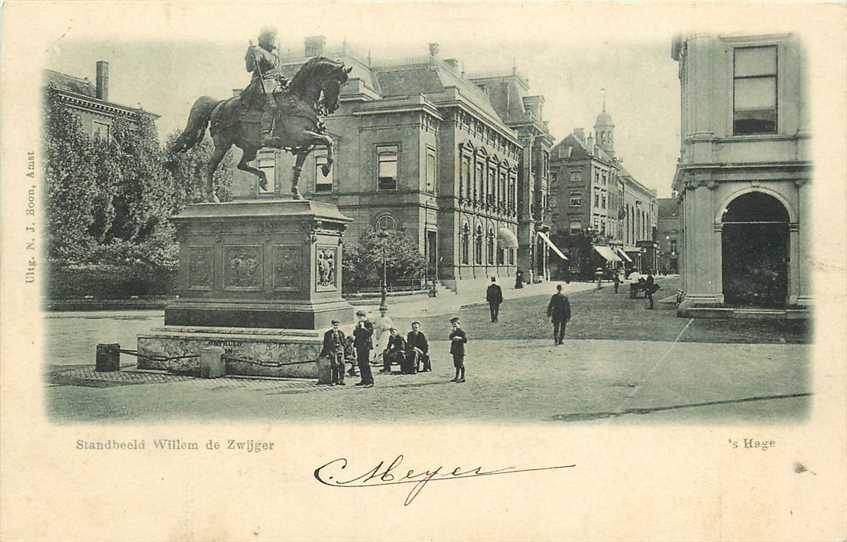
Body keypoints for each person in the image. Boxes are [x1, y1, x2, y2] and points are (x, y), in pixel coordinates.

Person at [243, 28, 288, 134]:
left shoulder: (275, 55)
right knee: (271, 105)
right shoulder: (258, 51)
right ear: (263, 39)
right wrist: (250, 56)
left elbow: (277, 72)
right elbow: (249, 68)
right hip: (262, 84)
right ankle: (265, 133)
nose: (273, 40)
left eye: (274, 38)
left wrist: (285, 80)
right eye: (270, 38)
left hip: (276, 84)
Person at [352, 310, 374, 387]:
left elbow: (369, 333)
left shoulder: (368, 323)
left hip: (365, 346)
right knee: (360, 363)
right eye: (358, 317)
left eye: (360, 317)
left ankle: (370, 381)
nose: (359, 318)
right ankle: (364, 379)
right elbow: (355, 334)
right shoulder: (358, 324)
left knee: (365, 363)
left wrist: (363, 328)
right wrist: (356, 328)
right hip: (359, 345)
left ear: (364, 316)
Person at [321, 320, 346, 385]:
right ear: (332, 326)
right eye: (334, 325)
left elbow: (344, 342)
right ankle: (335, 380)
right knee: (334, 365)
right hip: (332, 350)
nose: (335, 327)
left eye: (337, 325)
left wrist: (343, 349)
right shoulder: (327, 334)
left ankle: (341, 380)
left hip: (340, 350)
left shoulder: (341, 333)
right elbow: (325, 344)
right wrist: (325, 353)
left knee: (342, 364)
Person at [449, 317, 468, 383]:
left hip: (460, 350)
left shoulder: (462, 332)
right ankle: (456, 377)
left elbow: (465, 340)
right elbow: (450, 337)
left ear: (458, 324)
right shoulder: (453, 332)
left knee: (460, 364)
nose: (454, 326)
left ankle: (463, 377)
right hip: (454, 350)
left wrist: (459, 338)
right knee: (456, 364)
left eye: (455, 324)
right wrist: (453, 333)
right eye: (453, 325)